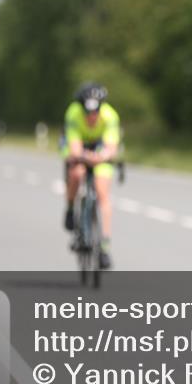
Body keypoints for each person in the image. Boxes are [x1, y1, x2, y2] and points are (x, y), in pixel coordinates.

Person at [62, 82, 120, 269]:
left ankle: (104, 245)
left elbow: (111, 148)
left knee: (103, 193)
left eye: (95, 112)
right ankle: (71, 208)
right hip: (80, 148)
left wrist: (102, 157)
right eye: (88, 112)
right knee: (76, 173)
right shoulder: (73, 113)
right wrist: (83, 157)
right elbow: (74, 148)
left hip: (100, 149)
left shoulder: (110, 116)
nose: (92, 116)